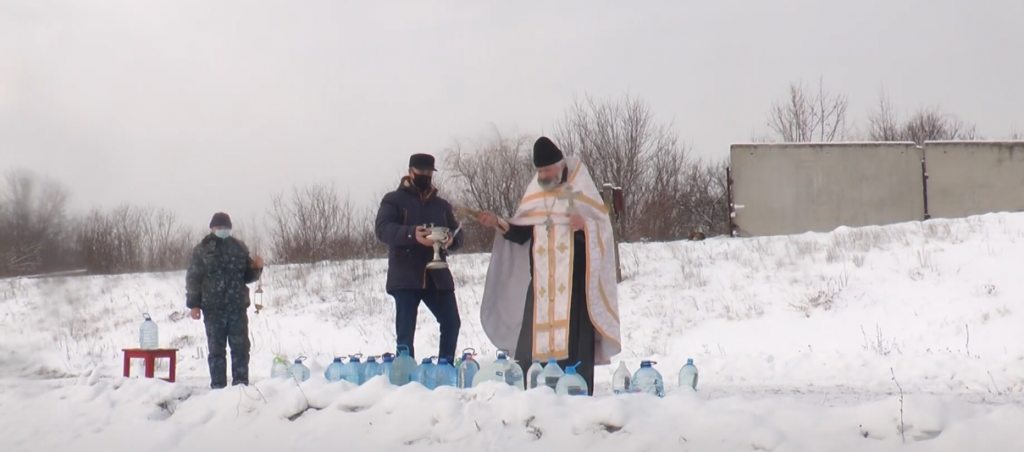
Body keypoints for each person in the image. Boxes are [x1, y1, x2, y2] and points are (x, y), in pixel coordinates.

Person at [475, 136, 621, 395]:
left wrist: (585, 225)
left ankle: (575, 391)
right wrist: (498, 222)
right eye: (539, 171)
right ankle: (535, 393)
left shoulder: (581, 188)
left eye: (547, 169)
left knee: (574, 342)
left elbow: (603, 229)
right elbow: (522, 233)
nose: (542, 175)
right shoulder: (536, 195)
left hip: (574, 286)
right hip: (542, 285)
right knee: (533, 344)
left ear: (560, 164)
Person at [374, 153, 464, 364]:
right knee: (405, 333)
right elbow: (382, 229)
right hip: (405, 274)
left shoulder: (441, 205)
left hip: (437, 275)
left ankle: (446, 368)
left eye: (429, 173)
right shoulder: (393, 200)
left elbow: (457, 233)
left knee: (452, 323)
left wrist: (451, 240)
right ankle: (405, 376)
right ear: (410, 172)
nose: (425, 176)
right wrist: (412, 234)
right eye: (421, 172)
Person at [185, 212, 264, 389]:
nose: (222, 230)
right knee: (216, 351)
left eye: (225, 228)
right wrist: (194, 305)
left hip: (237, 308)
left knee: (241, 348)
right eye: (219, 228)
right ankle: (218, 388)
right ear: (212, 228)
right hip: (213, 310)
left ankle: (241, 386)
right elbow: (193, 278)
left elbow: (247, 276)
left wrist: (258, 268)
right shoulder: (202, 250)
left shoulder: (239, 248)